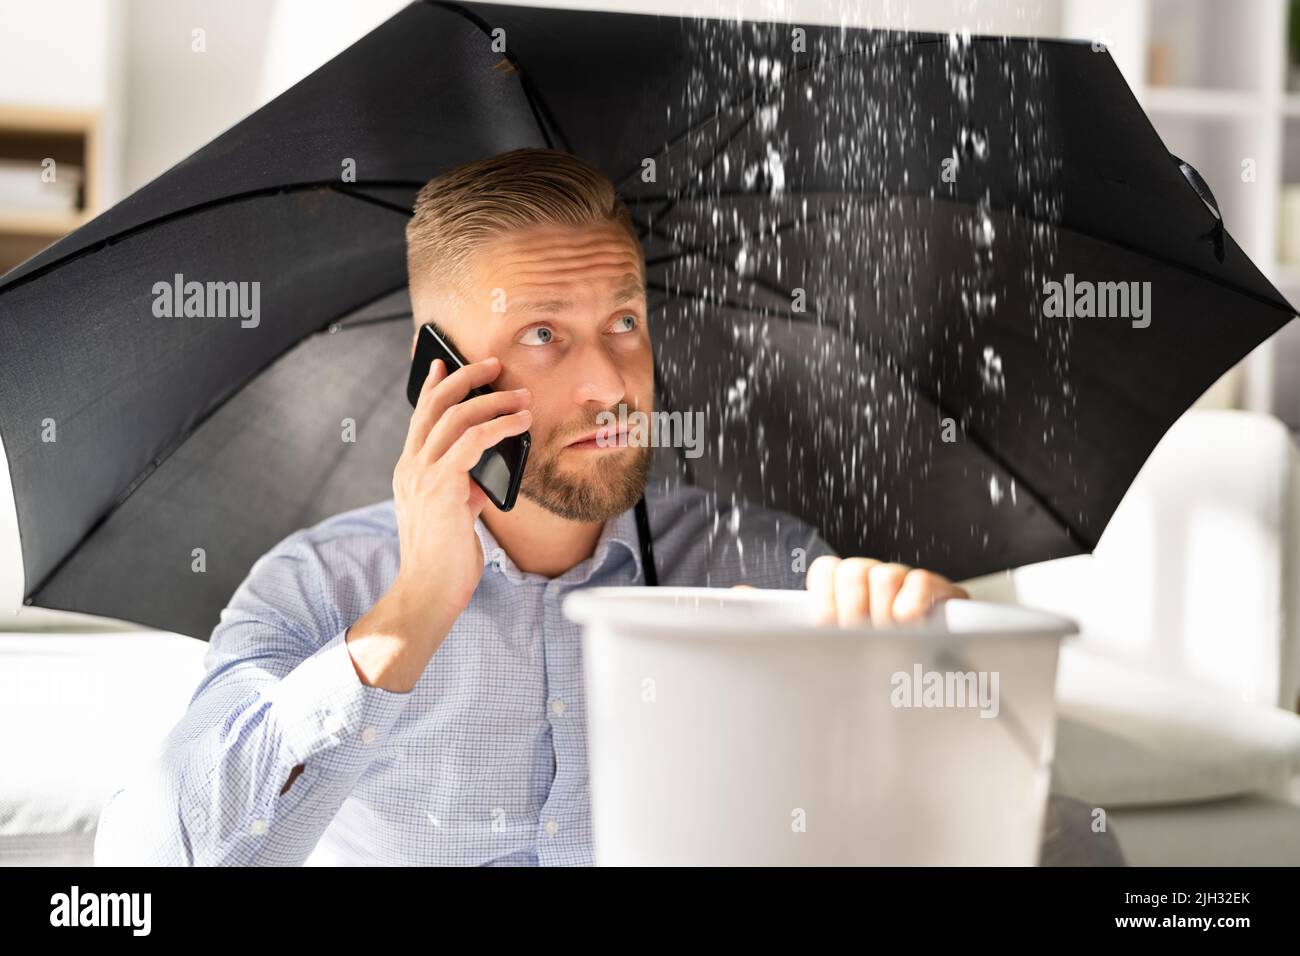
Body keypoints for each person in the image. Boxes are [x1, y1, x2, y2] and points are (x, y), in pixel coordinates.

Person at [94, 147, 1117, 866]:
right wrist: (407, 618)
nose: (612, 382)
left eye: (622, 318)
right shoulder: (318, 587)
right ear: (436, 371)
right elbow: (159, 860)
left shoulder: (757, 566)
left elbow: (925, 831)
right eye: (544, 333)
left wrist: (921, 682)